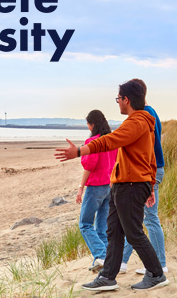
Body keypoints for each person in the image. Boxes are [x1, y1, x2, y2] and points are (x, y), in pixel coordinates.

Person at [55, 79, 168, 291]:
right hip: (124, 184)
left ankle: (156, 274)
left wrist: (79, 151)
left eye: (119, 99)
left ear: (127, 99)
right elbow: (151, 156)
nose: (118, 103)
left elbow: (108, 141)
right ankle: (108, 276)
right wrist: (151, 184)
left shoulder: (137, 122)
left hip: (132, 184)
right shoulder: (142, 122)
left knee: (133, 232)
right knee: (114, 232)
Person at [120, 79, 168, 275]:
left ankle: (161, 264)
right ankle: (122, 262)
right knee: (135, 218)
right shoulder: (152, 111)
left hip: (151, 170)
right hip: (152, 168)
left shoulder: (144, 114)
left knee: (149, 218)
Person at [76, 110, 117, 272]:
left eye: (88, 124)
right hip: (109, 187)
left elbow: (89, 165)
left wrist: (82, 152)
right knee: (101, 228)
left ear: (92, 124)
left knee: (85, 224)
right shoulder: (111, 140)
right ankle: (106, 261)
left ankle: (101, 255)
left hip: (96, 188)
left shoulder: (93, 141)